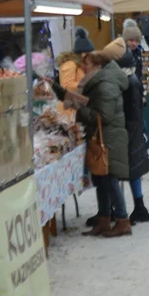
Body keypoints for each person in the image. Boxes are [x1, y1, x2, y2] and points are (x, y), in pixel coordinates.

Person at [52, 49, 132, 237]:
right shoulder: (97, 83)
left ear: (98, 66)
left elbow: (102, 116)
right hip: (102, 137)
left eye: (85, 65)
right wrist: (59, 91)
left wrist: (79, 110)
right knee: (101, 179)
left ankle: (122, 220)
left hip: (109, 138)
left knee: (110, 179)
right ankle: (103, 219)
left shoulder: (105, 85)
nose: (82, 67)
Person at [103, 42, 149, 223]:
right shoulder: (131, 78)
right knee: (133, 171)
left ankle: (120, 210)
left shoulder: (126, 82)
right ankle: (138, 207)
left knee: (119, 171)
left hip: (127, 132)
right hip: (132, 131)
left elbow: (128, 111)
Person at [122, 18, 149, 172]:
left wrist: (142, 94)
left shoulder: (138, 52)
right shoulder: (121, 55)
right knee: (133, 131)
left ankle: (143, 158)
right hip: (126, 100)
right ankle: (132, 161)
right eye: (130, 40)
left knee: (142, 129)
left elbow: (138, 77)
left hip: (136, 98)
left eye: (136, 40)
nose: (133, 43)